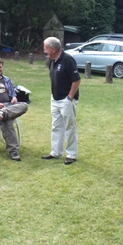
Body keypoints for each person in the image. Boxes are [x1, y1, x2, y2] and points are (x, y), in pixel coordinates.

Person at [43, 37, 81, 165]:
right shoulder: (52, 60)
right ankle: (56, 152)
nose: (44, 51)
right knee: (56, 126)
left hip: (66, 100)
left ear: (53, 49)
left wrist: (69, 97)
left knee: (70, 127)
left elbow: (76, 80)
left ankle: (71, 155)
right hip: (55, 99)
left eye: (46, 48)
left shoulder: (68, 59)